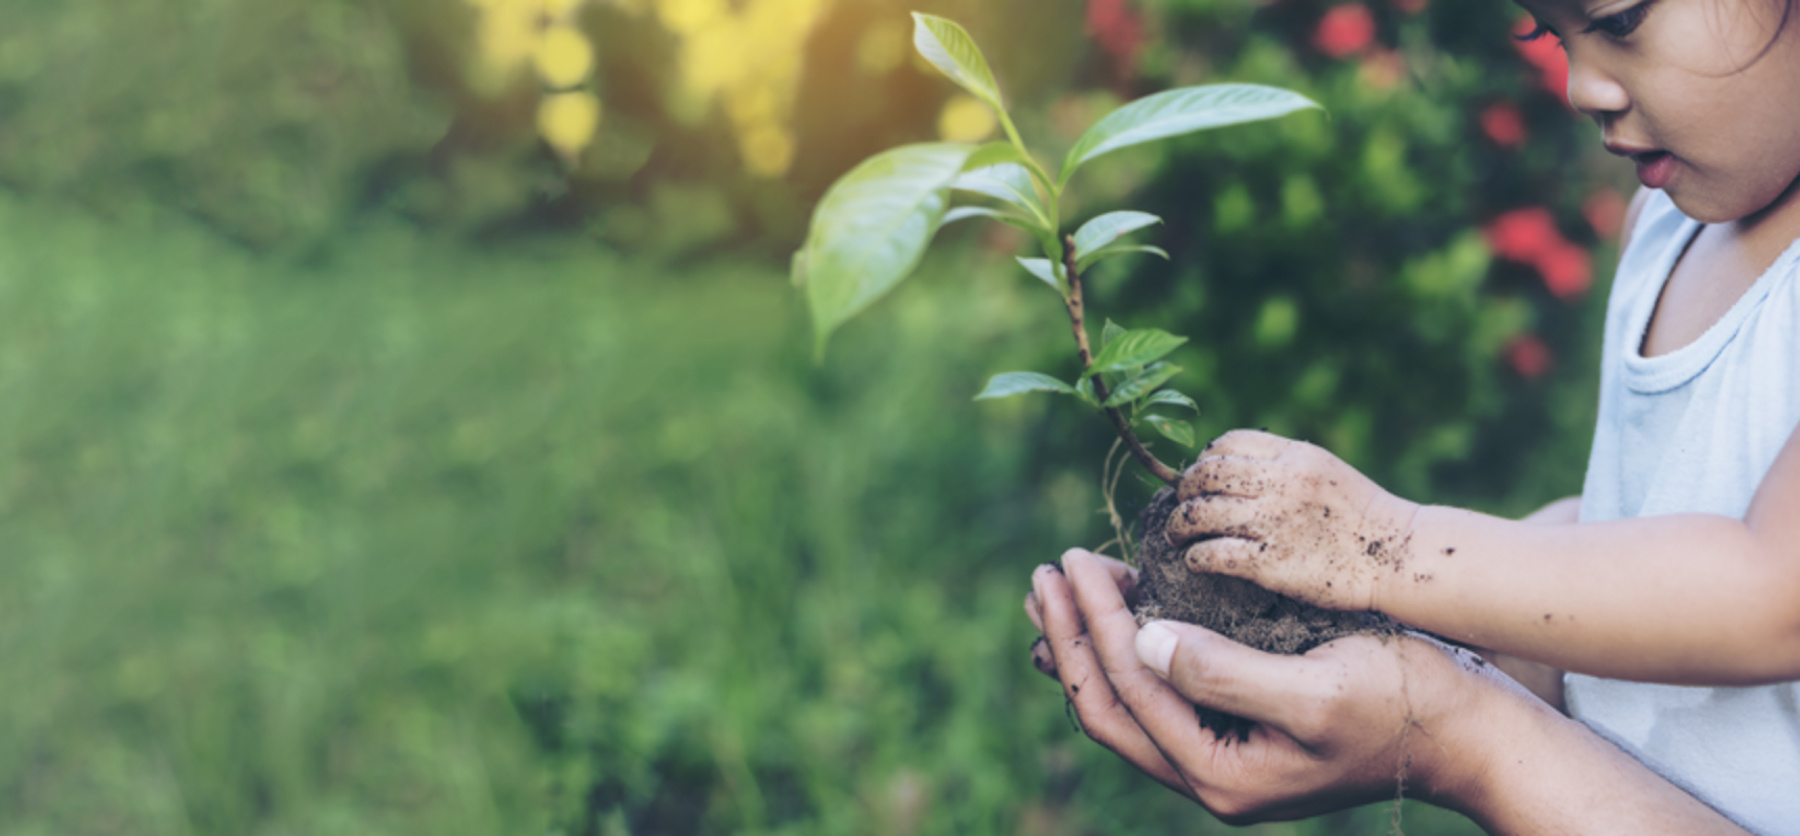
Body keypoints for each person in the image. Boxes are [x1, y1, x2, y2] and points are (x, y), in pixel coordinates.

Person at [1025, 0, 1800, 830]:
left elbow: (1772, 595)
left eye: (1618, 23)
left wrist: (1388, 547)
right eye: (1548, 32)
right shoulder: (1664, 230)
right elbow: (1640, 521)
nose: (1580, 87)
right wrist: (1367, 628)